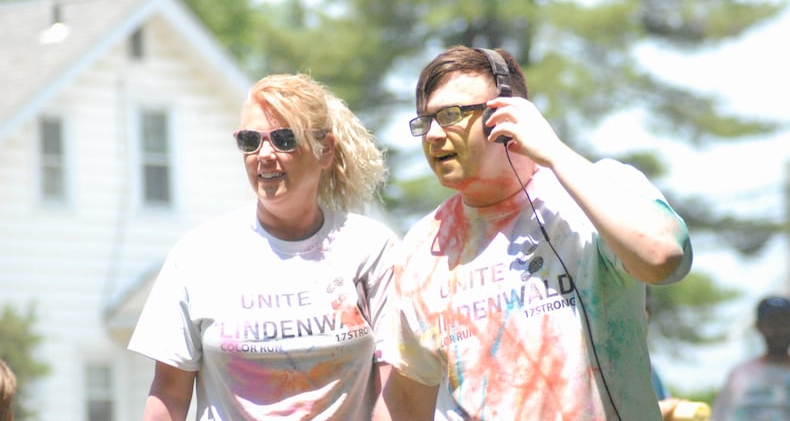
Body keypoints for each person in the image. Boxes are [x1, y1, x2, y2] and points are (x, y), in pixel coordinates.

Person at [373, 46, 693, 421]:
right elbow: (408, 396)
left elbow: (663, 258)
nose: (434, 135)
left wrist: (554, 152)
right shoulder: (420, 247)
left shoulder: (601, 188)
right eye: (425, 121)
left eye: (451, 115)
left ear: (506, 114)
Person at [128, 73, 400, 420]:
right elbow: (168, 395)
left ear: (325, 150)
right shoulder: (199, 255)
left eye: (284, 139)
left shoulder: (371, 249)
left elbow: (397, 390)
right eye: (250, 140)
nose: (265, 155)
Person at [711, 295, 790, 420]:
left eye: (784, 321)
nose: (779, 329)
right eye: (772, 322)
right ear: (758, 327)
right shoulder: (739, 375)